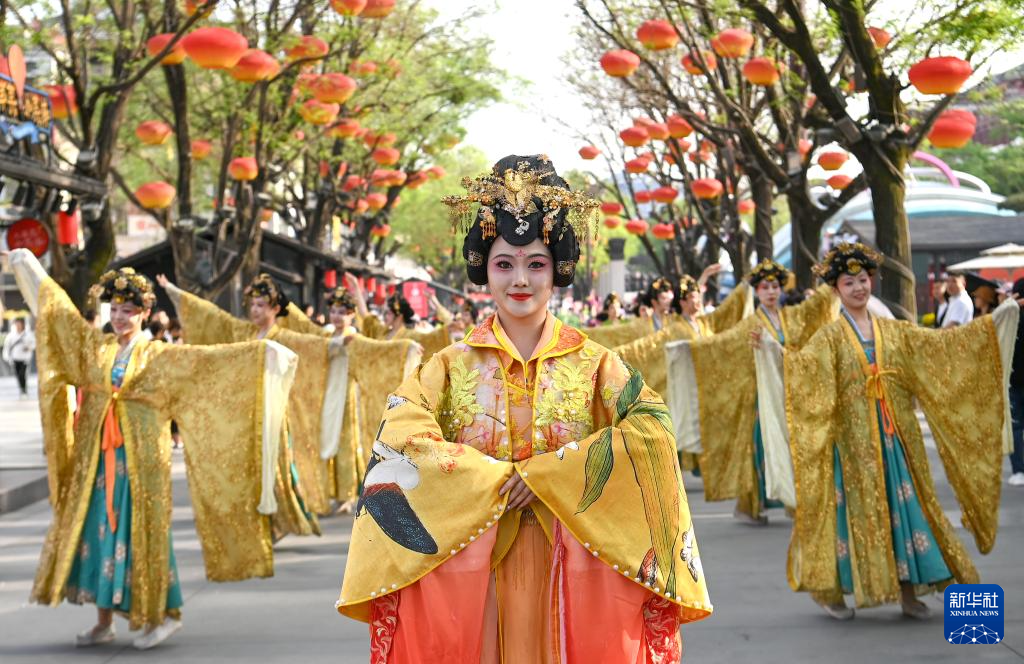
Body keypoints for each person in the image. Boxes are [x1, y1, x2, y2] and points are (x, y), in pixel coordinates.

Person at [336, 155, 711, 662]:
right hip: (475, 561)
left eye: (535, 264)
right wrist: (491, 481)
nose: (520, 280)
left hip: (576, 561)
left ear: (557, 270)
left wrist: (549, 475)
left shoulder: (597, 365)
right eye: (504, 264)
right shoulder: (448, 366)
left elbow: (652, 432)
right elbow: (402, 437)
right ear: (484, 270)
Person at [7, 249, 299, 650]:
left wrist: (261, 354)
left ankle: (165, 615)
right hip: (99, 462)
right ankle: (103, 621)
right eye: (115, 309)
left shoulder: (160, 356)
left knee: (143, 535)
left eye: (128, 311)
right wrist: (26, 263)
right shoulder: (98, 348)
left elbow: (208, 362)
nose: (119, 317)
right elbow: (61, 317)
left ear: (144, 313)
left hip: (141, 464)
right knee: (100, 533)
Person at [764, 243, 1017, 620]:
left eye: (863, 280)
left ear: (872, 281)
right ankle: (832, 591)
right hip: (852, 446)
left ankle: (908, 590)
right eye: (848, 283)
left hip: (896, 439)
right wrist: (773, 351)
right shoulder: (830, 337)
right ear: (836, 289)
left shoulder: (894, 331)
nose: (858, 288)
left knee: (908, 511)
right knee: (848, 517)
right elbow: (802, 372)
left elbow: (941, 346)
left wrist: (991, 326)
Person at [157, 273, 342, 524]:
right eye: (252, 304)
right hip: (246, 411)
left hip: (274, 413)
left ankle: (285, 513)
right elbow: (214, 317)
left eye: (261, 305)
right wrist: (174, 292)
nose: (254, 310)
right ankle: (256, 514)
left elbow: (314, 345)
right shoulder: (244, 331)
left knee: (278, 465)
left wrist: (338, 345)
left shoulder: (285, 337)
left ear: (275, 308)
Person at [663, 260, 838, 524]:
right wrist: (691, 349)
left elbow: (813, 309)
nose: (771, 292)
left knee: (794, 443)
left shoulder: (791, 317)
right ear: (757, 291)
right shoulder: (752, 324)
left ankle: (794, 499)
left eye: (775, 286)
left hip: (789, 391)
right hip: (761, 398)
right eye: (765, 287)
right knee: (761, 447)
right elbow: (722, 343)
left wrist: (831, 284)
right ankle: (753, 504)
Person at [1008, 278, 1024, 487]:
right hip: (1014, 381)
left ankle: (1019, 470)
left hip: (1013, 380)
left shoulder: (1010, 317)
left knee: (1016, 427)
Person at [3, 316, 35, 397]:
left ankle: (24, 390)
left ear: (23, 324)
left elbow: (34, 344)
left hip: (25, 358)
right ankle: (22, 388)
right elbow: (7, 347)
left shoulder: (28, 334)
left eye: (19, 324)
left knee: (22, 374)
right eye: (17, 324)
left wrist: (29, 348)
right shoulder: (11, 335)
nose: (18, 326)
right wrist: (7, 357)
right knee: (18, 375)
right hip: (15, 358)